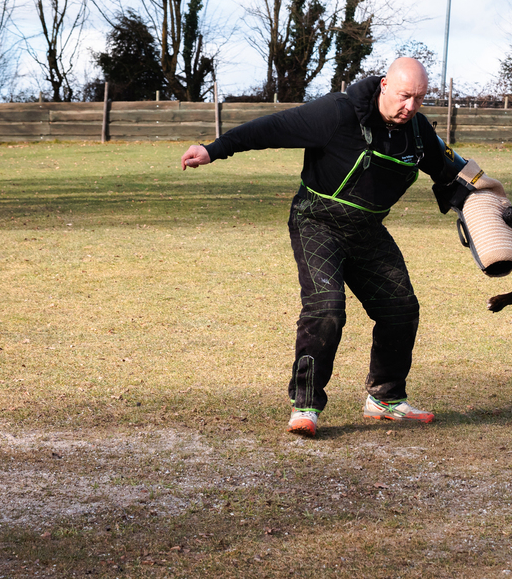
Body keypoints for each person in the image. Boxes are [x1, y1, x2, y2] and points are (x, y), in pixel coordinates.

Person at [181, 57, 478, 438]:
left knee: (401, 309)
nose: (411, 107)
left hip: (367, 230)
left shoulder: (418, 133)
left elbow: (455, 173)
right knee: (326, 308)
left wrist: (493, 203)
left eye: (419, 99)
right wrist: (214, 149)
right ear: (384, 85)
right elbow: (270, 128)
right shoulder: (337, 112)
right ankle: (305, 406)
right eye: (404, 96)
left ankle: (385, 399)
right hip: (316, 221)